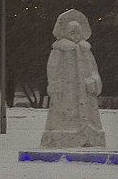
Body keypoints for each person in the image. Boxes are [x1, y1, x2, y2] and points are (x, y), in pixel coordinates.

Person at [41, 9, 106, 148]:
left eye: (78, 33)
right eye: (72, 33)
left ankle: (89, 138)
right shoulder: (60, 50)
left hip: (85, 89)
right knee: (64, 114)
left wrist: (94, 80)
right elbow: (52, 68)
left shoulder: (85, 50)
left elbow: (93, 68)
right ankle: (63, 137)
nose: (76, 36)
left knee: (87, 115)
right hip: (66, 89)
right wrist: (54, 83)